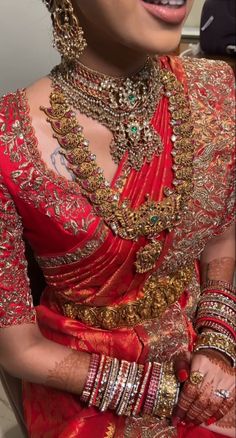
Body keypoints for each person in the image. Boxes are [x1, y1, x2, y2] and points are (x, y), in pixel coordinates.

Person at [0, 0, 235, 437]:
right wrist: (167, 395)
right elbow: (18, 349)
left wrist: (218, 338)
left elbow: (220, 232)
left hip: (196, 337)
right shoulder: (9, 141)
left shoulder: (216, 90)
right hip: (79, 370)